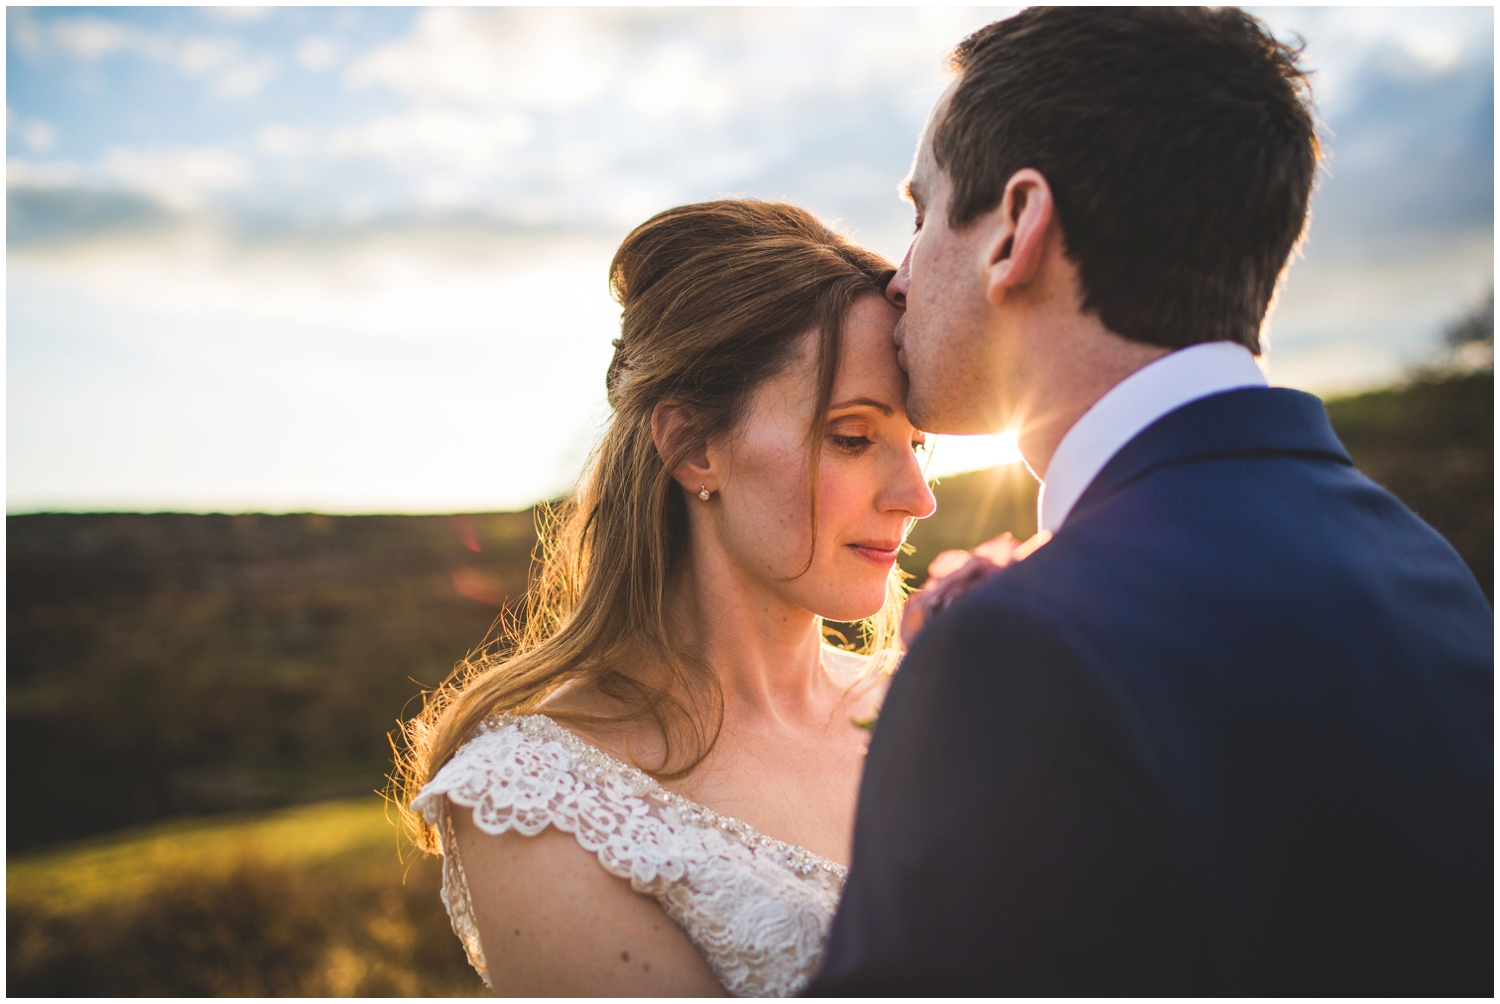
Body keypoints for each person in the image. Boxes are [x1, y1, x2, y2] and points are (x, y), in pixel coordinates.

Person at [809, 7, 1493, 995]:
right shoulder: (1428, 569)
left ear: (1016, 229)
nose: (897, 274)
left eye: (923, 215)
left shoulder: (1025, 643)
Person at [395, 200, 936, 996]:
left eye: (917, 444)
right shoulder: (536, 797)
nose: (917, 496)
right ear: (691, 446)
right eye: (852, 437)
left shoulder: (931, 700)